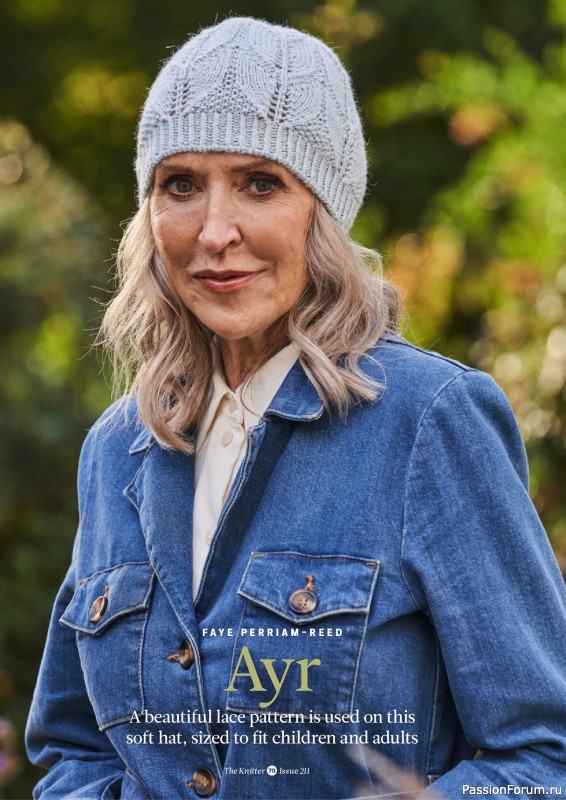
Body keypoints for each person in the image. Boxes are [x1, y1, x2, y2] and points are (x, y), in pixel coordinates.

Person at [26, 16, 566, 800]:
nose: (215, 232)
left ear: (325, 211)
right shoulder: (117, 450)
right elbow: (75, 753)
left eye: (260, 184)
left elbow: (546, 754)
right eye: (181, 185)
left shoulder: (429, 421)